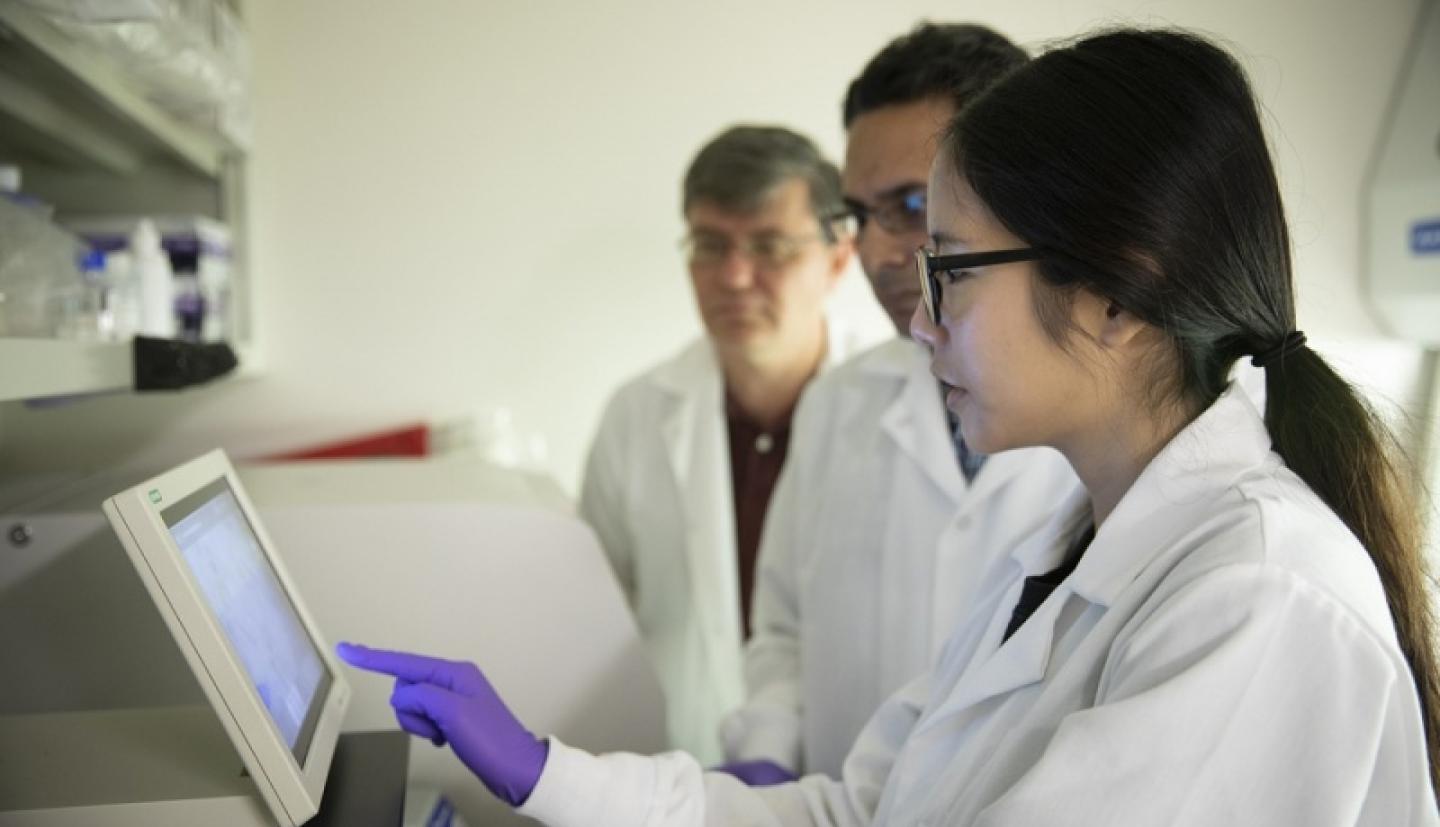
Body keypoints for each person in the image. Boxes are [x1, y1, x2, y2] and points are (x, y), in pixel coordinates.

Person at [340, 28, 1440, 824]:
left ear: (1116, 287)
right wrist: (547, 773)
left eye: (949, 265)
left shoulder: (1252, 599)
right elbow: (861, 809)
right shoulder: (1064, 550)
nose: (917, 317)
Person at [718, 23, 1080, 784]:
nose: (880, 252)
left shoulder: (1099, 423)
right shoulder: (837, 404)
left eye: (913, 203)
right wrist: (766, 756)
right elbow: (783, 629)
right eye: (860, 212)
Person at [576, 125, 870, 765]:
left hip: (857, 772)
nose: (735, 277)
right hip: (685, 768)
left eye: (769, 246)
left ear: (838, 260)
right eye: (711, 245)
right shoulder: (636, 417)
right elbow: (595, 624)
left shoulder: (894, 415)